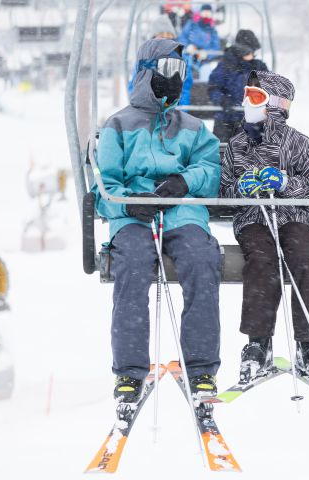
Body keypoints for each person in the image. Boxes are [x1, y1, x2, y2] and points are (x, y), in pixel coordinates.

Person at [93, 38, 222, 403]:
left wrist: (184, 181)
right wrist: (129, 203)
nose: (176, 79)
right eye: (168, 70)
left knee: (201, 259)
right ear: (146, 74)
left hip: (181, 211)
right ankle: (130, 372)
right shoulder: (118, 125)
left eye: (181, 71)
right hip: (134, 216)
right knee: (132, 264)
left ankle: (200, 368)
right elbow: (103, 185)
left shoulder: (192, 127)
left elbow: (209, 169)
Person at [219, 70, 309, 382]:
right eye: (246, 96)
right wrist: (241, 188)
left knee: (308, 259)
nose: (247, 103)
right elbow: (223, 191)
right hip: (254, 219)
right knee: (263, 261)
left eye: (255, 97)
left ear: (276, 105)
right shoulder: (237, 145)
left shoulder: (299, 144)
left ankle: (308, 344)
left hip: (294, 217)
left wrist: (285, 182)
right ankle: (258, 342)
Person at [208, 29, 268, 142]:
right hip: (227, 119)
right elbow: (214, 88)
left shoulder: (259, 67)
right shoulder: (226, 65)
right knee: (224, 150)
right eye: (250, 51)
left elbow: (270, 88)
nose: (253, 54)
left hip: (252, 119)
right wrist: (223, 100)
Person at [128, 15, 194, 107]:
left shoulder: (181, 57)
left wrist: (179, 107)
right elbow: (136, 83)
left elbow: (185, 86)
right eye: (162, 35)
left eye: (168, 34)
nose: (165, 38)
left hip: (173, 107)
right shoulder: (147, 57)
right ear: (154, 37)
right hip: (149, 108)